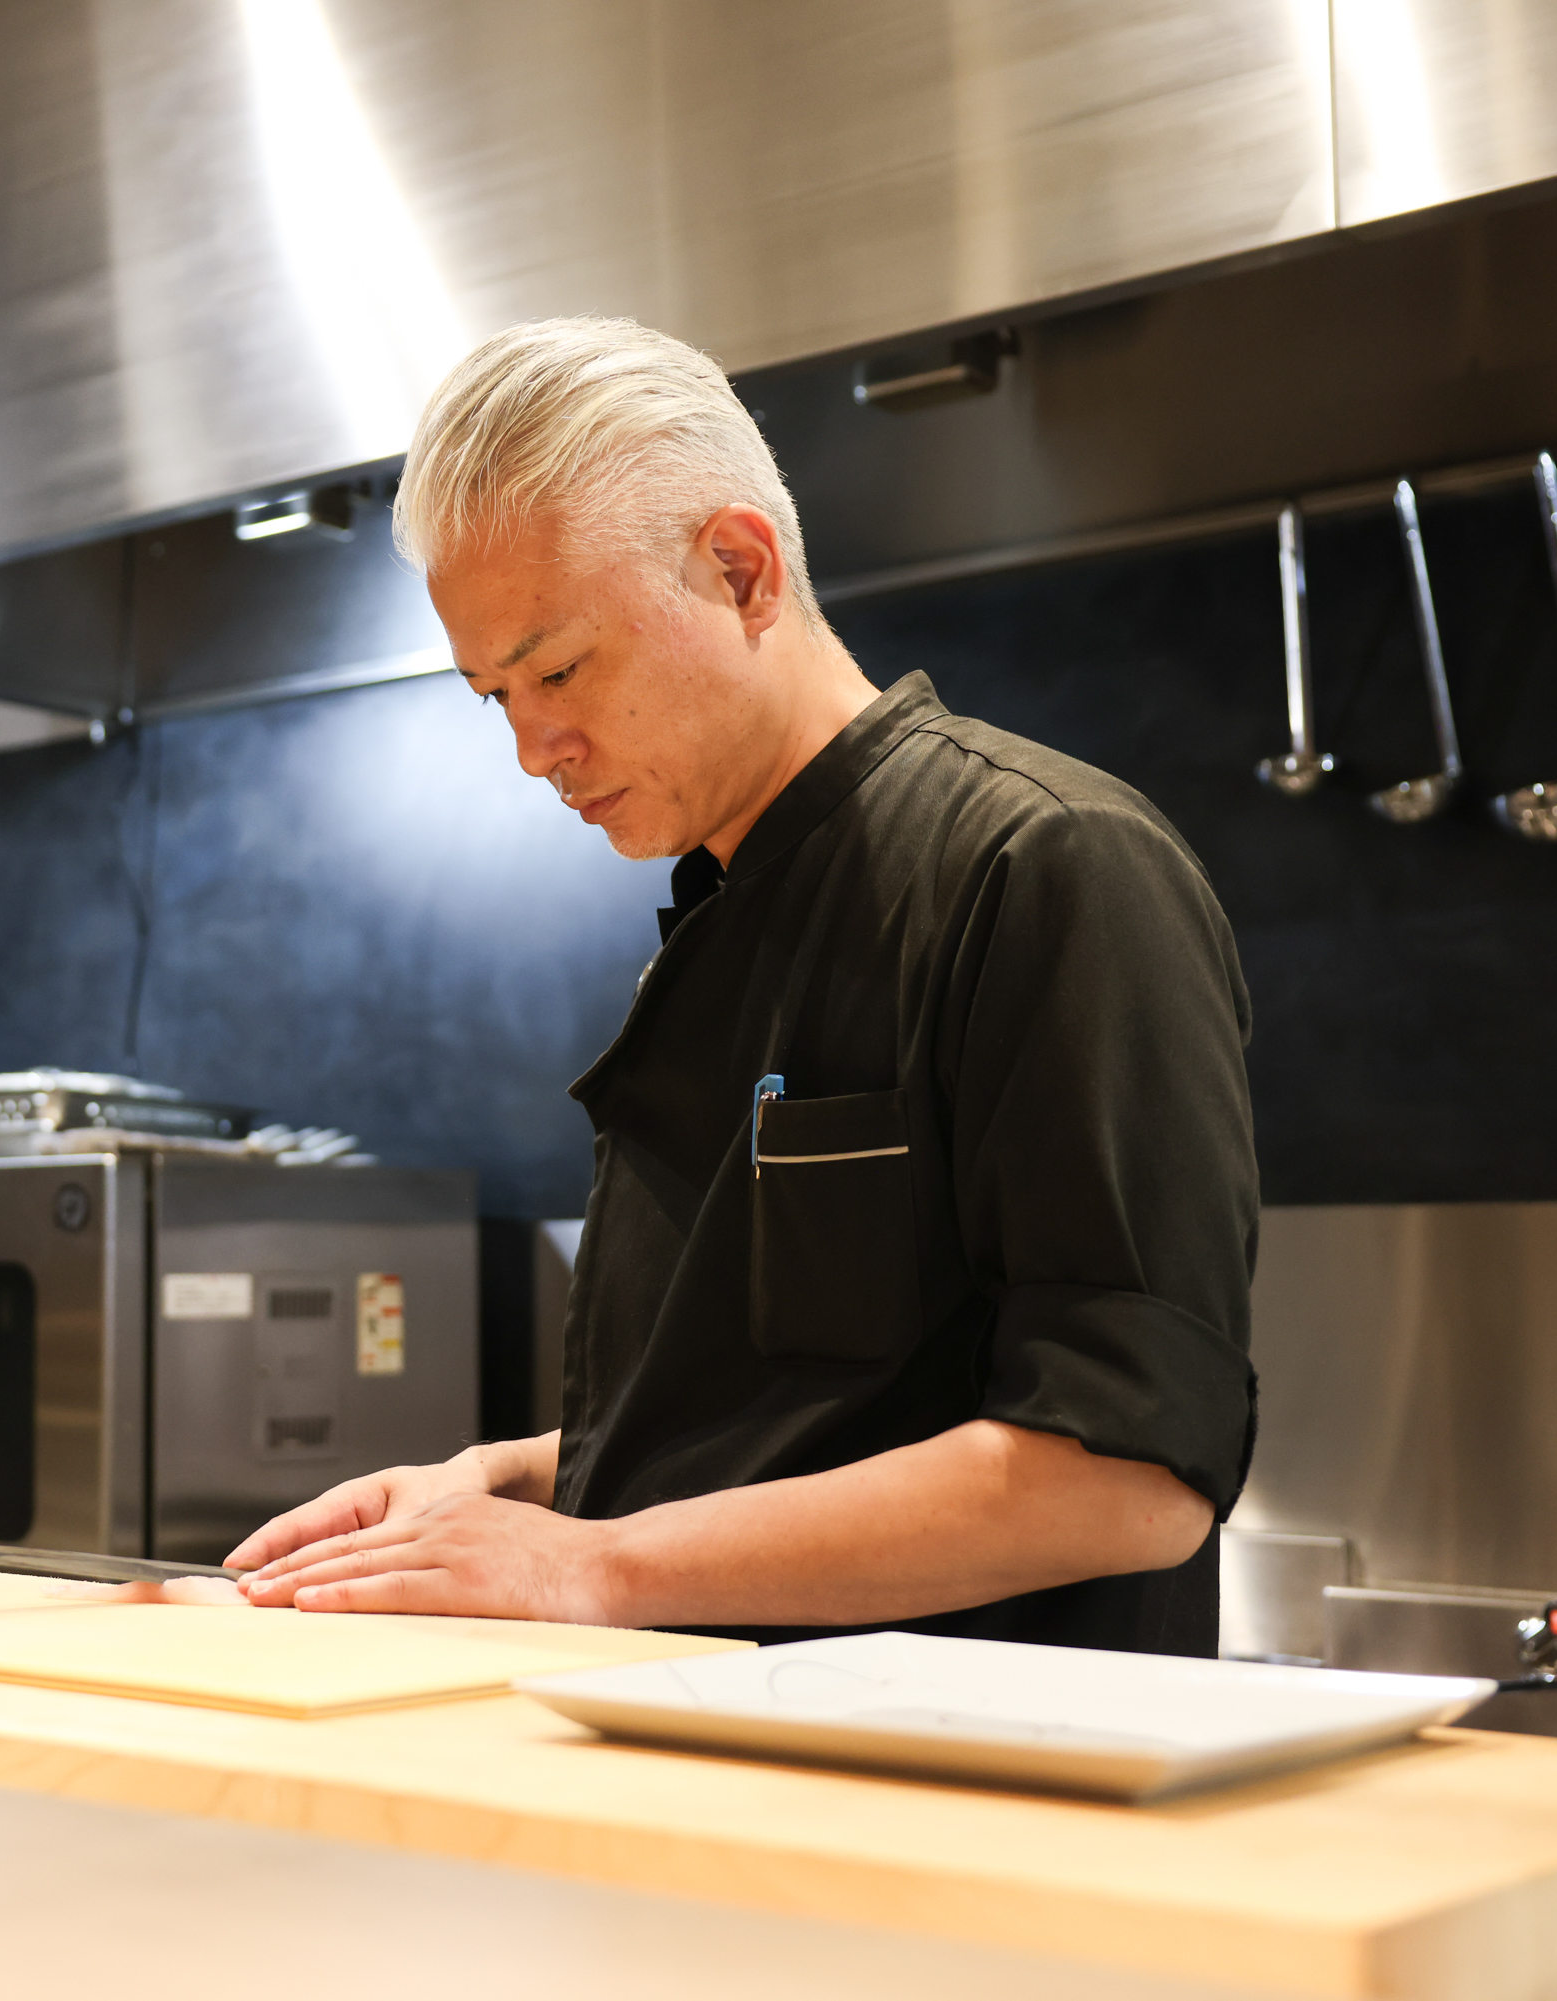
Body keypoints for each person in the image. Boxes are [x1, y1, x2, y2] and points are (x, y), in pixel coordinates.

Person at [225, 317, 1257, 1654]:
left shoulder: (1047, 865)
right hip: (713, 1793)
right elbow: (802, 1414)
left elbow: (1126, 1474)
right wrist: (513, 1483)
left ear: (739, 568)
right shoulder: (723, 916)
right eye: (495, 696)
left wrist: (586, 1568)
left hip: (959, 1814)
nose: (536, 748)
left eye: (559, 667)